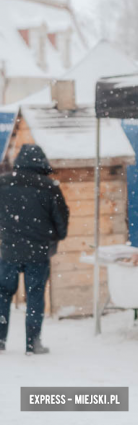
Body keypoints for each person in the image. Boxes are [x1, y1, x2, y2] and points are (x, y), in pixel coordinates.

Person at [0, 144, 69, 355]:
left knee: (2, 295)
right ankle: (33, 343)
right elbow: (61, 223)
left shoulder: (3, 183)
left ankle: (0, 339)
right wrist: (53, 237)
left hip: (8, 251)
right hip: (38, 252)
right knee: (35, 296)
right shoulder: (50, 187)